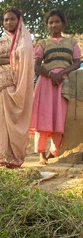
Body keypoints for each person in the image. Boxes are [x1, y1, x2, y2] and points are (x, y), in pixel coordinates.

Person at [0, 7, 34, 168]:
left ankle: (12, 157)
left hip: (16, 84)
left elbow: (27, 61)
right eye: (6, 19)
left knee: (12, 120)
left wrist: (2, 58)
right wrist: (10, 59)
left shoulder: (24, 42)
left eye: (12, 19)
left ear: (19, 21)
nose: (9, 22)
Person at [29, 9, 81, 165]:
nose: (54, 25)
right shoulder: (42, 43)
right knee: (43, 117)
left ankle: (54, 151)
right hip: (46, 83)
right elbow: (36, 66)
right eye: (50, 22)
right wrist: (52, 75)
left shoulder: (72, 43)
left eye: (57, 21)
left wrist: (62, 73)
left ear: (63, 23)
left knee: (60, 117)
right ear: (47, 26)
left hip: (64, 83)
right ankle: (41, 154)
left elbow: (77, 62)